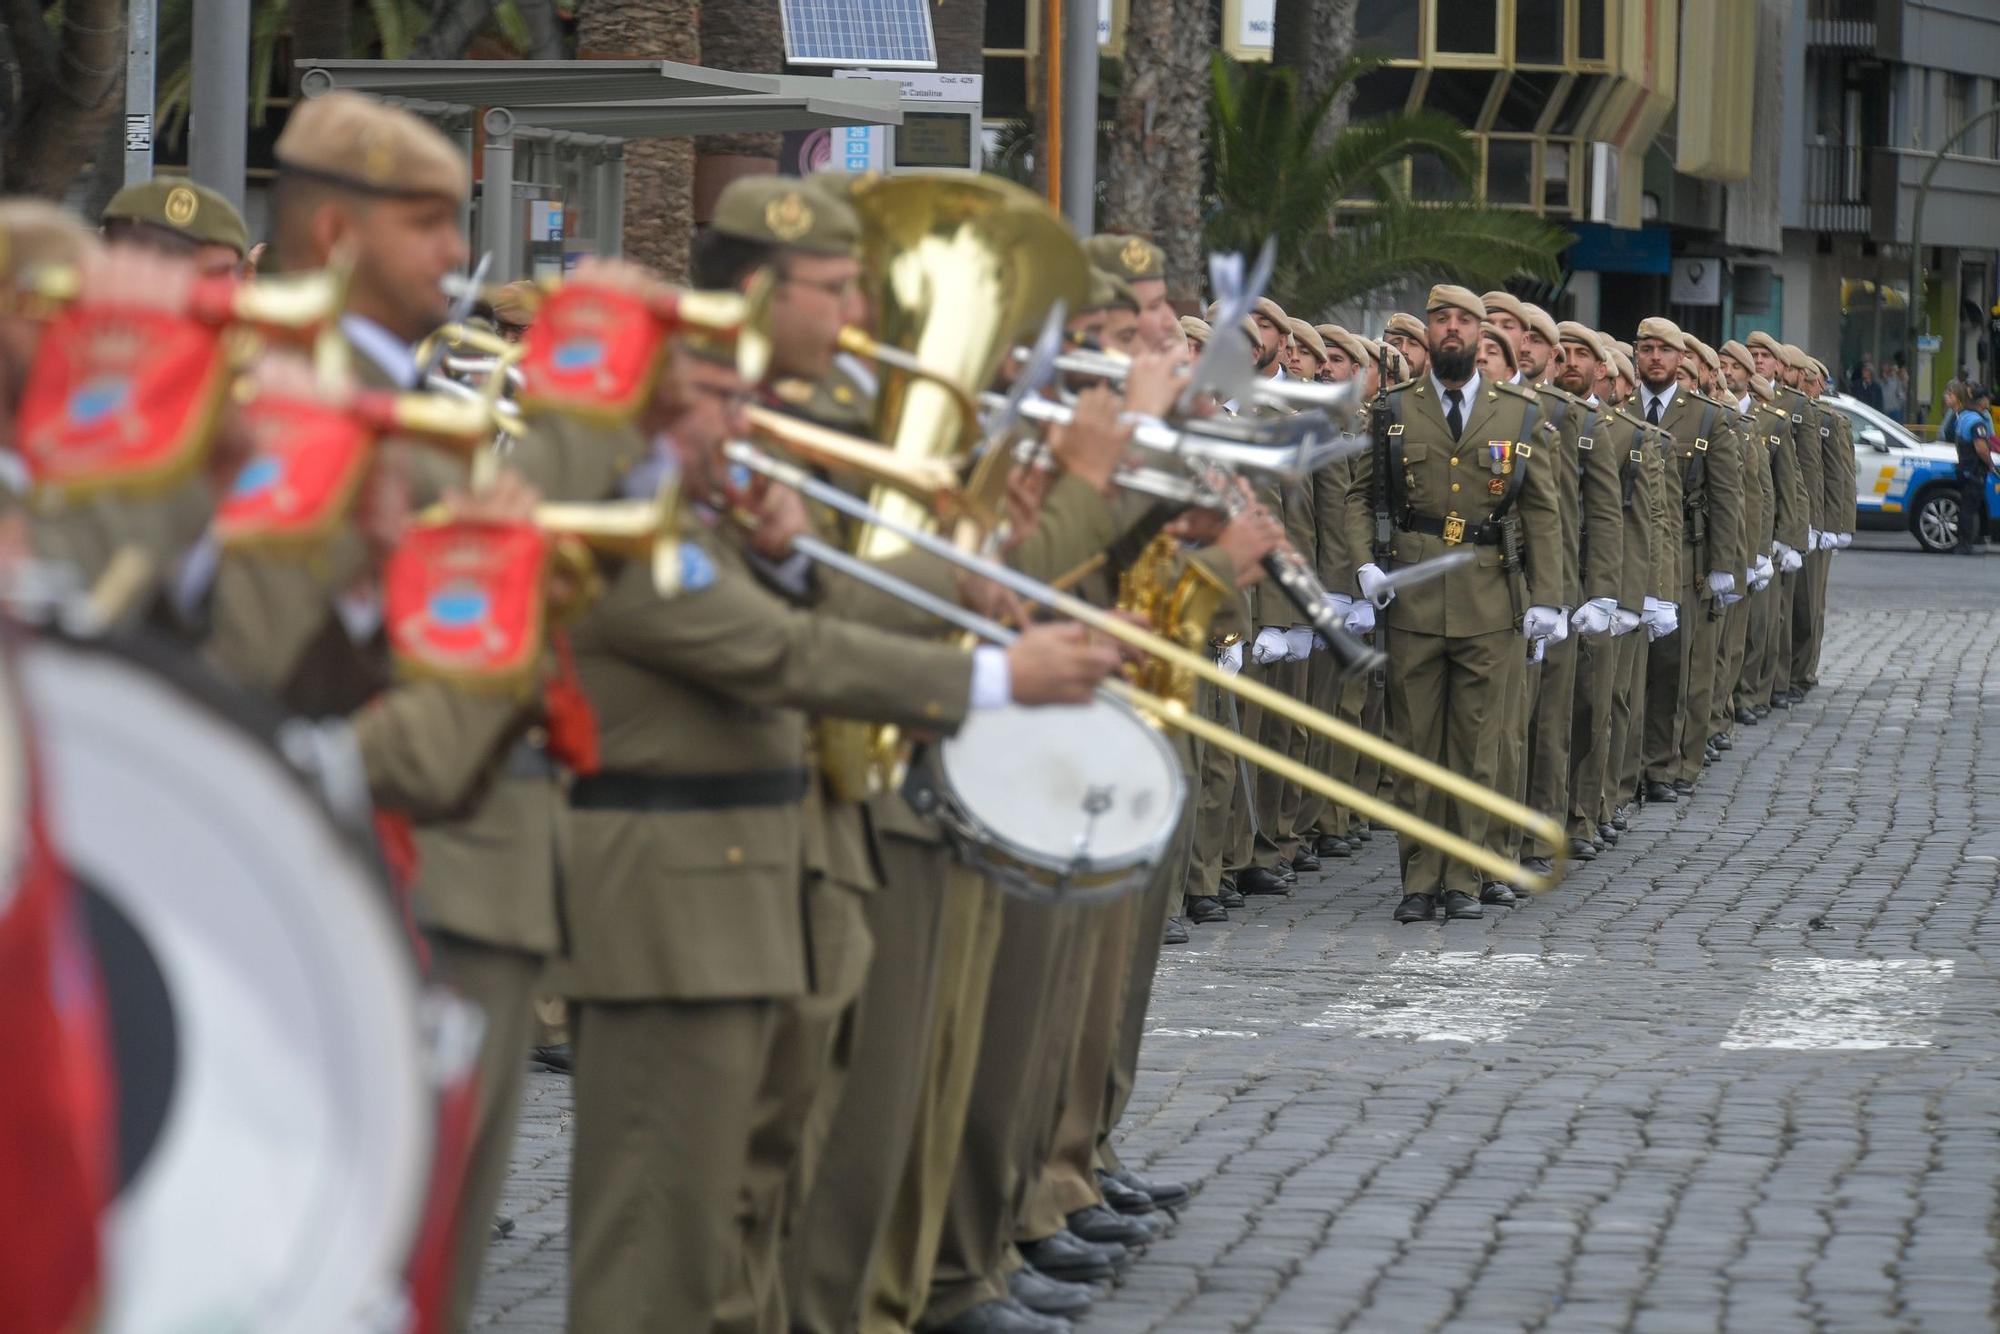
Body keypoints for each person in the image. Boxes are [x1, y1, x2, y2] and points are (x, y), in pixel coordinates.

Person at [1945, 379, 1992, 554]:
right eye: (1987, 398)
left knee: (1968, 505)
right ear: (1981, 401)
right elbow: (1981, 448)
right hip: (1974, 470)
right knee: (1969, 508)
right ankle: (1964, 544)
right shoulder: (1976, 421)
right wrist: (1990, 464)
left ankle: (1972, 539)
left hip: (1964, 468)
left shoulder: (1963, 417)